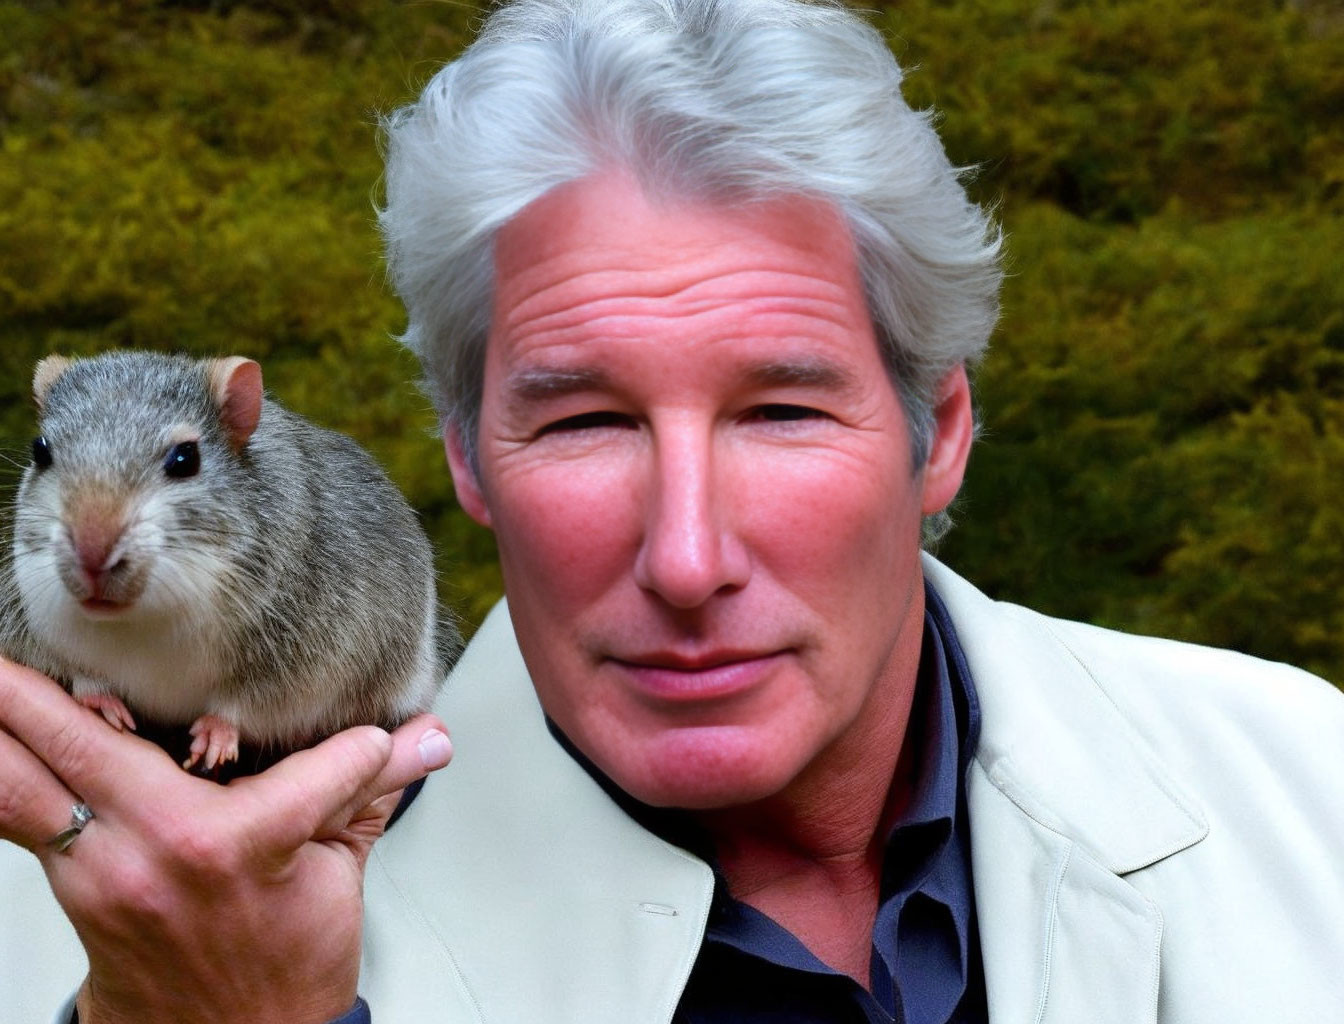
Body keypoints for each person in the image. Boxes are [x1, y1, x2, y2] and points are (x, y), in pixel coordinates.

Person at [2, 0, 1342, 1021]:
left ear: (938, 437)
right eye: (587, 422)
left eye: (782, 412)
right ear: (467, 458)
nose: (688, 557)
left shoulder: (1305, 781)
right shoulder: (75, 934)